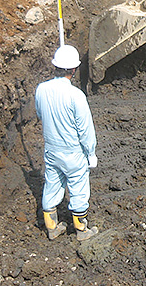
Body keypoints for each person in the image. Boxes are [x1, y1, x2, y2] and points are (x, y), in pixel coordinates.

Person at [35, 44, 98, 241]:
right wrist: (91, 153)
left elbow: (40, 114)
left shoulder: (41, 89)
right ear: (73, 69)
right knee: (79, 187)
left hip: (52, 150)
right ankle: (81, 230)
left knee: (52, 184)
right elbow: (85, 129)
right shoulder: (76, 95)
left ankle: (52, 227)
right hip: (73, 152)